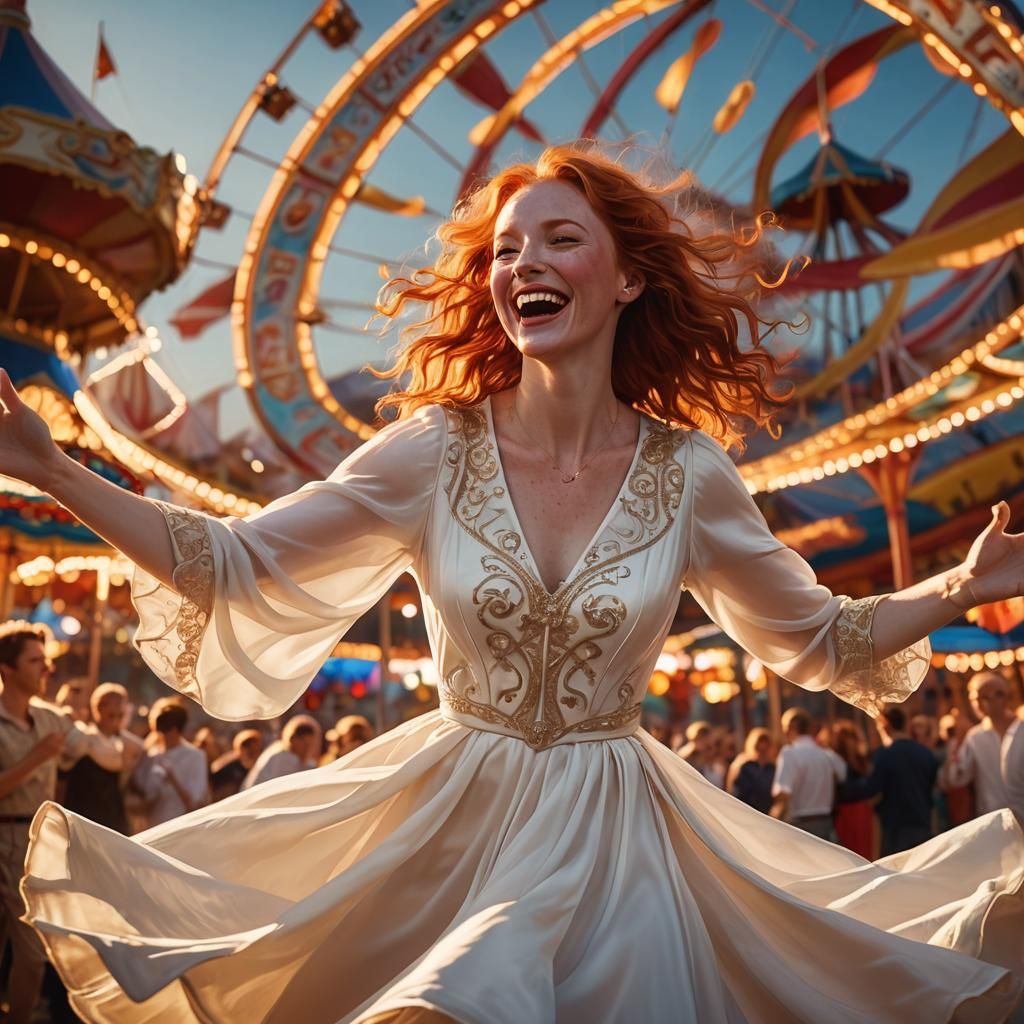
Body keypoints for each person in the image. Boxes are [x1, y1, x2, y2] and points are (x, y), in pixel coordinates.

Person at [6, 143, 1024, 1021]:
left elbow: (819, 638)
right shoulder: (430, 452)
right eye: (504, 249)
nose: (522, 261)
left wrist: (960, 588)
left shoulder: (691, 476)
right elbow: (236, 561)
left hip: (617, 839)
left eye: (558, 239)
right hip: (448, 823)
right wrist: (56, 469)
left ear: (627, 277)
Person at [0, 622, 123, 1024]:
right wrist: (36, 758)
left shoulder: (53, 719)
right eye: (35, 661)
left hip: (36, 842)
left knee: (34, 955)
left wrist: (123, 744)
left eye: (46, 660)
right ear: (7, 669)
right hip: (1, 832)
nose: (45, 669)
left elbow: (100, 751)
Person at [843, 705, 939, 856]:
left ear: (884, 726)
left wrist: (845, 789)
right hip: (923, 822)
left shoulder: (885, 754)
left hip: (896, 826)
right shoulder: (925, 754)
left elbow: (872, 787)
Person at [62, 682, 144, 834]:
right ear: (99, 709)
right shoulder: (81, 738)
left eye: (120, 715)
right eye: (111, 715)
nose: (116, 720)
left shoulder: (128, 745)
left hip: (113, 822)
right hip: (83, 819)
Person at [943, 671, 1024, 826]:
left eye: (984, 697)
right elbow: (956, 779)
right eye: (974, 699)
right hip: (994, 827)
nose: (978, 704)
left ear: (1004, 697)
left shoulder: (1021, 731)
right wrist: (955, 742)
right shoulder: (975, 737)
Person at [131, 697, 209, 828]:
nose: (160, 735)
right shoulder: (152, 755)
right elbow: (142, 794)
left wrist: (172, 778)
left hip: (182, 829)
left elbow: (195, 802)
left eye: (164, 730)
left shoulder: (195, 756)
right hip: (154, 827)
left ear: (175, 729)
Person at [770, 707, 847, 839]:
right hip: (826, 824)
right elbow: (842, 775)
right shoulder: (828, 755)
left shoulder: (789, 753)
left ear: (789, 728)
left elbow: (782, 794)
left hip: (800, 826)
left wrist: (771, 821)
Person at [830, 719, 875, 858]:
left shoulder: (836, 759)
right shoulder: (861, 759)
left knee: (849, 856)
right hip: (857, 811)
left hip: (848, 812)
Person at [241, 714, 320, 790]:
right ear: (293, 740)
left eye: (311, 745)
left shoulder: (308, 763)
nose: (307, 749)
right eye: (305, 744)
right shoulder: (280, 757)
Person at [725, 727, 775, 814]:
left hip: (768, 815)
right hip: (748, 813)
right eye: (759, 749)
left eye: (764, 750)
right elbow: (736, 793)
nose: (761, 753)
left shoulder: (772, 768)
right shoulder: (744, 766)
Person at [209, 728, 264, 801]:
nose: (250, 751)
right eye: (246, 746)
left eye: (255, 749)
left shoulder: (263, 767)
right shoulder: (227, 767)